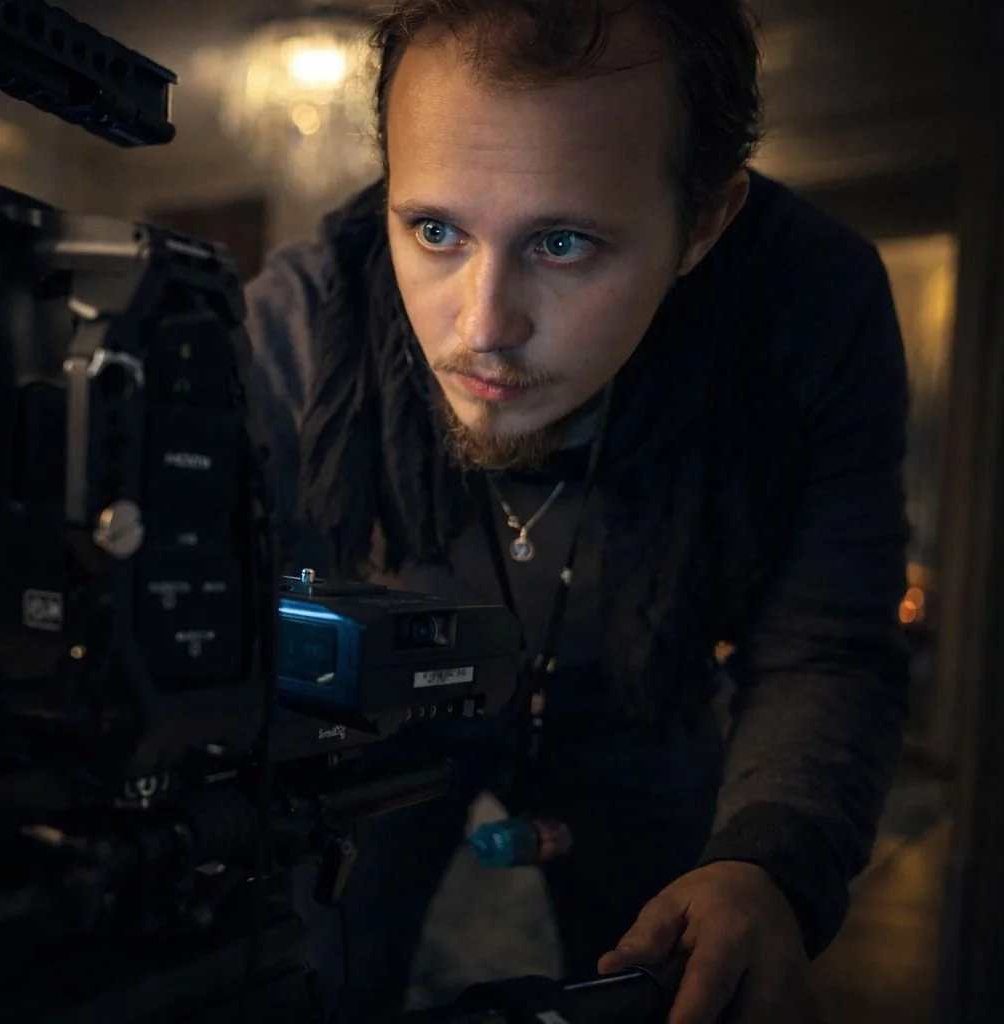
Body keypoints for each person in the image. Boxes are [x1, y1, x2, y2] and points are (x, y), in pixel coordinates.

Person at [240, 1, 910, 1022]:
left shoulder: (810, 304)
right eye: (435, 230)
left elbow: (827, 643)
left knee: (680, 977)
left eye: (561, 242)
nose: (482, 328)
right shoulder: (308, 312)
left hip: (644, 689)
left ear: (704, 224)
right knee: (318, 968)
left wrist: (770, 864)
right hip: (376, 699)